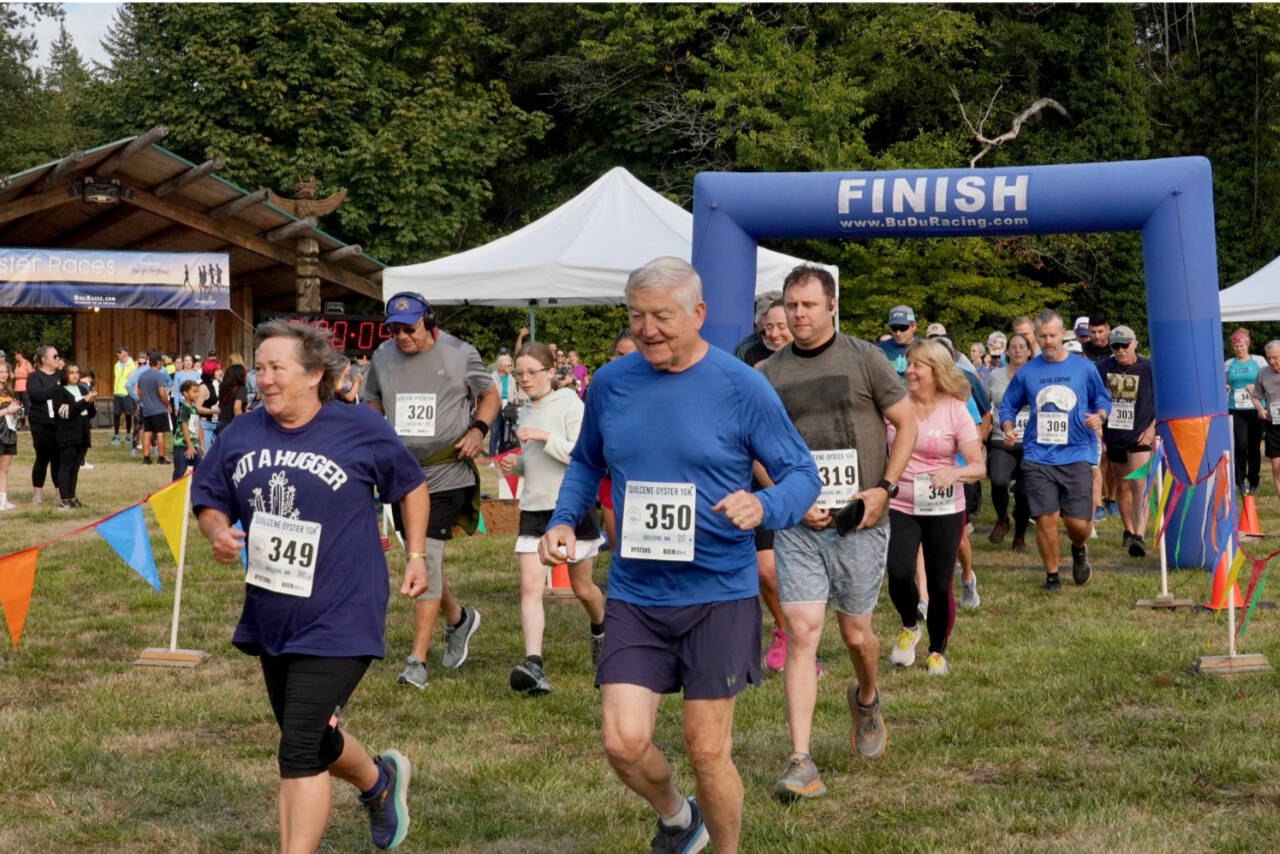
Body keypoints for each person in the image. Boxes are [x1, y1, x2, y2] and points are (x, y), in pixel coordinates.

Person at [539, 257, 819, 853]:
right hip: (638, 593)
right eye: (637, 316)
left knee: (707, 749)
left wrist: (763, 508)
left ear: (698, 314)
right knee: (621, 741)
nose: (648, 330)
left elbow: (802, 473)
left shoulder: (742, 386)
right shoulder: (613, 383)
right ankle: (675, 817)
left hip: (717, 591)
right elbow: (587, 460)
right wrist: (564, 517)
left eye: (662, 316)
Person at [193, 320, 427, 853]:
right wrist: (218, 532)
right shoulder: (241, 433)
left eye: (277, 368)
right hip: (273, 611)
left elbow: (410, 485)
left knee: (298, 745)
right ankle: (377, 781)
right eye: (260, 368)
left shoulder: (359, 429)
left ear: (316, 374)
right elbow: (210, 497)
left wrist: (416, 556)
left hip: (345, 609)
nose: (264, 379)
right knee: (313, 735)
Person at [758, 265, 916, 802]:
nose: (798, 315)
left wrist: (884, 489)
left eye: (808, 305)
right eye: (791, 305)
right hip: (800, 522)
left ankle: (866, 696)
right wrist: (786, 498)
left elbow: (907, 422)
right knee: (802, 630)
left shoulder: (864, 358)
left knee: (855, 637)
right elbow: (754, 448)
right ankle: (800, 760)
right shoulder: (768, 373)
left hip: (861, 519)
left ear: (831, 307)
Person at [363, 292, 497, 688]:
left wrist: (479, 429)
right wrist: (377, 437)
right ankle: (458, 619)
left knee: (427, 557)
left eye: (410, 328)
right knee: (420, 559)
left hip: (446, 471)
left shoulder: (460, 353)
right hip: (402, 476)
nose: (402, 336)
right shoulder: (382, 356)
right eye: (395, 329)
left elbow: (489, 394)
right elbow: (371, 400)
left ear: (429, 322)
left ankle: (417, 661)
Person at [500, 342, 607, 695]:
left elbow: (583, 455)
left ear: (550, 372)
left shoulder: (572, 405)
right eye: (520, 373)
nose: (525, 379)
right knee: (530, 588)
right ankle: (533, 663)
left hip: (571, 507)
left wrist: (544, 436)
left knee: (582, 589)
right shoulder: (523, 409)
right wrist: (516, 464)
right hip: (534, 507)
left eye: (532, 372)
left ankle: (602, 629)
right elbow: (534, 460)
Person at [885, 339, 984, 676]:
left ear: (936, 370)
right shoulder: (895, 404)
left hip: (944, 507)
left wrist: (954, 471)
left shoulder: (955, 409)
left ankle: (937, 650)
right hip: (900, 502)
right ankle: (910, 624)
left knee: (941, 585)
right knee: (898, 574)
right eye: (907, 364)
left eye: (916, 365)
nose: (908, 370)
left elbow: (977, 465)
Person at [998, 311, 1111, 592]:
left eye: (1052, 335)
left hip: (1077, 453)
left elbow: (1102, 399)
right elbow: (1007, 406)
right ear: (1035, 337)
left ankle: (1079, 546)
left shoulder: (1084, 368)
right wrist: (1008, 426)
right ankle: (1052, 575)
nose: (1048, 341)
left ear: (1063, 335)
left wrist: (1100, 416)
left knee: (1076, 524)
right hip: (1039, 455)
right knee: (1046, 517)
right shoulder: (1028, 371)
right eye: (1042, 336)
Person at [737, 298, 797, 673]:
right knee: (766, 569)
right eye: (767, 328)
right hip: (764, 478)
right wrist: (776, 486)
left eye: (781, 326)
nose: (774, 334)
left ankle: (805, 638)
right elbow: (749, 435)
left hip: (815, 471)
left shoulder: (825, 359)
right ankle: (784, 628)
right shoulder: (749, 362)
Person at [1096, 326, 1156, 557]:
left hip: (1140, 434)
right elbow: (1094, 397)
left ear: (1135, 343)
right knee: (1121, 485)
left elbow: (1162, 401)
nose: (1120, 350)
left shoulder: (1148, 368)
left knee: (1139, 484)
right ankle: (1129, 530)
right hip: (1114, 434)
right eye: (1115, 346)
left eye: (1125, 345)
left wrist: (1151, 429)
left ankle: (1139, 535)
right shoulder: (1103, 368)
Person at [985, 332, 1034, 554]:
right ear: (1007, 351)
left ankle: (1020, 536)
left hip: (1029, 441)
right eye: (1012, 347)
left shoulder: (1038, 375)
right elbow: (986, 405)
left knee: (1024, 492)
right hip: (1000, 438)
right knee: (998, 479)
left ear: (1029, 351)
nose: (1016, 350)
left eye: (1021, 347)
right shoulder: (995, 376)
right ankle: (1003, 518)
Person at [595, 329, 638, 552]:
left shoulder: (664, 387)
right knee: (617, 546)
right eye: (620, 355)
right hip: (612, 478)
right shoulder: (603, 387)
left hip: (648, 483)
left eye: (632, 355)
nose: (625, 361)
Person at [1226, 328, 1267, 495]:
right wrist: (1226, 386)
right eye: (1236, 346)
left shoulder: (1258, 361)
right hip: (1236, 409)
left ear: (1247, 345)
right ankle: (1240, 481)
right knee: (1240, 445)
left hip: (1256, 408)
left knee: (1254, 447)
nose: (1239, 349)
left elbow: (1268, 380)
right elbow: (1222, 382)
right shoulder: (1228, 364)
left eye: (1242, 345)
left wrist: (1256, 387)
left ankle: (1254, 481)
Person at [53, 361, 97, 509]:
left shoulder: (82, 389)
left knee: (76, 467)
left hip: (82, 433)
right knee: (66, 466)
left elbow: (91, 413)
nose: (75, 375)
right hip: (67, 433)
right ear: (65, 374)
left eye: (77, 372)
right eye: (71, 372)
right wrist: (84, 401)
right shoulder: (59, 391)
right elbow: (66, 412)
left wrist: (90, 402)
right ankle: (64, 499)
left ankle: (72, 497)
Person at [25, 345, 62, 504]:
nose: (58, 358)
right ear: (44, 359)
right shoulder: (34, 377)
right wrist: (57, 386)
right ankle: (37, 494)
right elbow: (38, 395)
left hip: (60, 422)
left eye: (58, 355)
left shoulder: (61, 375)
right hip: (41, 423)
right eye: (54, 356)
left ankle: (60, 493)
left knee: (58, 459)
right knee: (42, 458)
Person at [1253, 340, 1280, 502]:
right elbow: (1256, 397)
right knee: (1277, 466)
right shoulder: (1263, 373)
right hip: (1273, 424)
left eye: (1275, 358)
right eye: (1269, 358)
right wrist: (1260, 409)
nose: (1271, 361)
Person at [136, 352, 172, 465]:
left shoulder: (142, 375)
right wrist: (167, 404)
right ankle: (161, 458)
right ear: (158, 362)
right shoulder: (159, 375)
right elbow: (162, 392)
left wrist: (144, 400)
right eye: (160, 361)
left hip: (147, 409)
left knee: (147, 432)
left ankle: (146, 458)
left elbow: (138, 392)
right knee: (160, 433)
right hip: (159, 408)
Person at [172, 379, 205, 479]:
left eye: (198, 392)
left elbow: (198, 427)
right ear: (185, 393)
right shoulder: (184, 409)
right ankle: (174, 493)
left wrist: (201, 445)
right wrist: (189, 445)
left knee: (200, 470)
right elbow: (184, 427)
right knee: (179, 473)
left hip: (194, 447)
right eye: (194, 392)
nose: (197, 394)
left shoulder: (195, 410)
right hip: (182, 447)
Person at [489, 353, 518, 457]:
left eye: (510, 365)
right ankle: (491, 457)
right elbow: (488, 393)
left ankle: (501, 456)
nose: (510, 367)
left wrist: (512, 401)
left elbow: (515, 392)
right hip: (496, 407)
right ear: (500, 366)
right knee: (494, 433)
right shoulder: (492, 377)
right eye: (508, 366)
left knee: (504, 433)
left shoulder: (511, 378)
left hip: (508, 407)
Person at [876, 304, 917, 376]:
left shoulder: (926, 349)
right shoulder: (880, 350)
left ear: (913, 325)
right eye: (894, 328)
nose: (898, 333)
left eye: (903, 328)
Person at [0, 361, 19, 509]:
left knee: (4, 469)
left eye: (5, 371)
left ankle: (3, 500)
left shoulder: (9, 391)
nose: (3, 374)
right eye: (0, 372)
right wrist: (7, 411)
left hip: (9, 432)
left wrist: (16, 412)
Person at [110, 346, 137, 444]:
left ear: (125, 353)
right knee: (116, 414)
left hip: (127, 393)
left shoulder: (132, 365)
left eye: (118, 352)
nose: (117, 354)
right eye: (117, 352)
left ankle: (128, 436)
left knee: (128, 415)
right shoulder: (116, 365)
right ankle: (116, 436)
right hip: (117, 393)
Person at [215, 363, 249, 437]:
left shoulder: (223, 388)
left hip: (222, 425)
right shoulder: (241, 389)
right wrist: (242, 426)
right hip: (234, 426)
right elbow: (237, 408)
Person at [12, 349, 30, 430]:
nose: (14, 357)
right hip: (17, 388)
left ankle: (27, 424)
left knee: (26, 405)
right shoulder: (17, 364)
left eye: (15, 355)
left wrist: (18, 376)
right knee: (16, 406)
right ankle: (16, 423)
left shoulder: (26, 363)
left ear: (20, 354)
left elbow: (31, 375)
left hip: (24, 388)